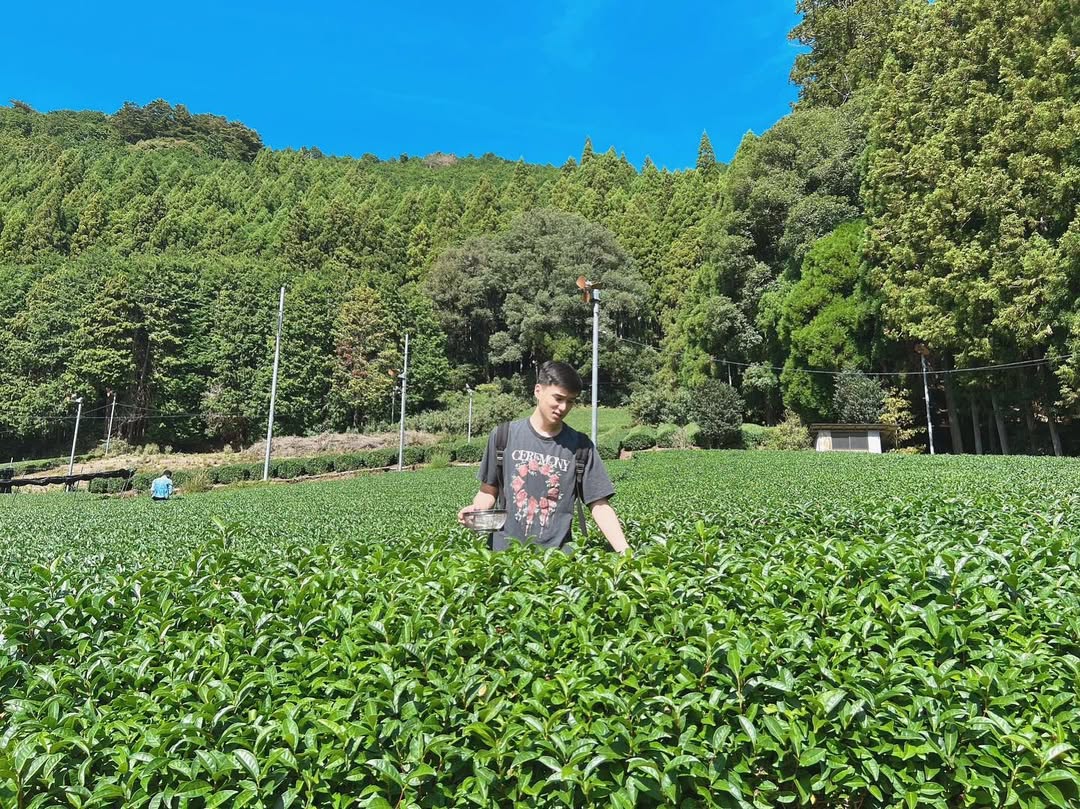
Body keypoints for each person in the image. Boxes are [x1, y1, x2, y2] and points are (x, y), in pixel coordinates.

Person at [458, 361, 629, 554]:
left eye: (570, 401)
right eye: (558, 398)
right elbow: (488, 492)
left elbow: (600, 505)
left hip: (557, 559)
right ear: (538, 391)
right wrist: (477, 510)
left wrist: (625, 553)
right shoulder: (503, 436)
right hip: (504, 556)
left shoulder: (581, 446)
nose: (563, 407)